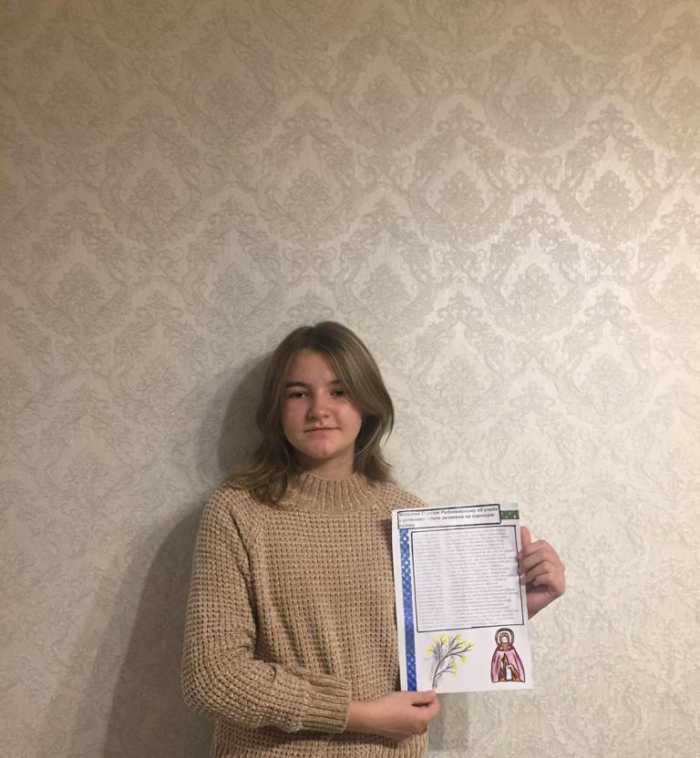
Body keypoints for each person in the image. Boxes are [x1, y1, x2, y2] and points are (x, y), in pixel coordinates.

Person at [181, 321, 566, 757]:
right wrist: (357, 714)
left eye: (339, 391)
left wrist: (517, 608)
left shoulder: (408, 517)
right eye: (298, 393)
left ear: (367, 403)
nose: (319, 409)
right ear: (276, 408)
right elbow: (212, 676)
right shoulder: (237, 511)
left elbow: (435, 656)